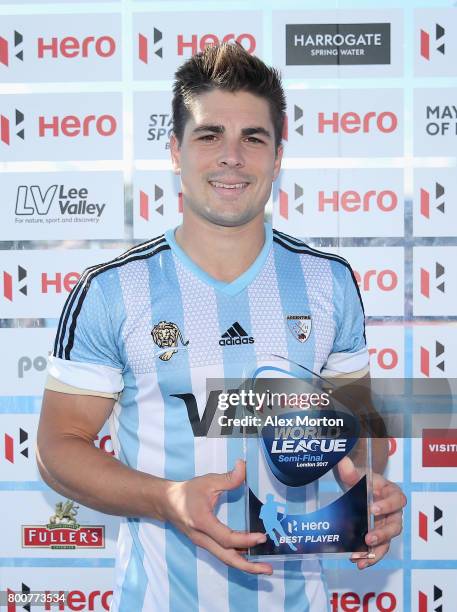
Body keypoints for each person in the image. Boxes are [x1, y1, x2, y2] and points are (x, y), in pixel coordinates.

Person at [37, 43, 406, 611]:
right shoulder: (112, 290)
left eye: (253, 138)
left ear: (278, 156)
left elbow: (357, 427)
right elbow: (57, 447)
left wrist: (367, 486)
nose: (231, 156)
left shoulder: (328, 283)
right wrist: (169, 500)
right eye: (209, 135)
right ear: (174, 150)